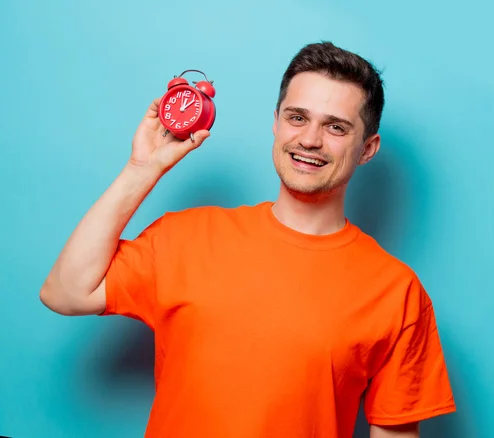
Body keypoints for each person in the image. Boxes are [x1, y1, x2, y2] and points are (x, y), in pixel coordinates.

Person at [40, 41, 456, 438]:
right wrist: (141, 169)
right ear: (276, 123)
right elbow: (66, 292)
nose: (309, 139)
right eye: (297, 117)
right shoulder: (188, 235)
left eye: (335, 127)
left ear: (368, 148)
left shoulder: (397, 293)